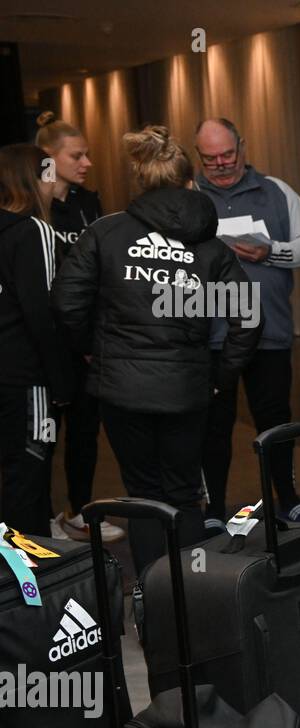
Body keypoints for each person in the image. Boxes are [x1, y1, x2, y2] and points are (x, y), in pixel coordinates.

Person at [52, 125, 261, 570]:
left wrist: (93, 351)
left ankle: (152, 595)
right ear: (190, 182)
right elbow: (247, 317)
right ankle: (187, 599)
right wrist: (220, 376)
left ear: (141, 181)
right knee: (184, 490)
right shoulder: (208, 245)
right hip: (187, 389)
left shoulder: (106, 234)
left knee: (143, 493)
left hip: (121, 390)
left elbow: (67, 303)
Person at [193, 118, 300, 531]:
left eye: (228, 154)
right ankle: (213, 508)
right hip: (213, 335)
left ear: (242, 147)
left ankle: (287, 497)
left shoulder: (277, 191)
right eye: (210, 159)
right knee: (214, 426)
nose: (221, 164)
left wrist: (270, 252)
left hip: (269, 332)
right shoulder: (188, 198)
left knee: (275, 419)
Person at [34, 113, 123, 544]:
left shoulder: (90, 203)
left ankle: (79, 513)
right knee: (44, 434)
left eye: (87, 153)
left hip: (87, 338)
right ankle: (40, 520)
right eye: (77, 155)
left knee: (86, 432)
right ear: (48, 159)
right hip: (46, 340)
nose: (87, 162)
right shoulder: (32, 207)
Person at [0, 144, 74, 537]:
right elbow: (43, 313)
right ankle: (31, 583)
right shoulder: (35, 231)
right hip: (28, 379)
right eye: (48, 174)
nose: (53, 183)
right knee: (28, 476)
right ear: (32, 180)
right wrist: (60, 381)